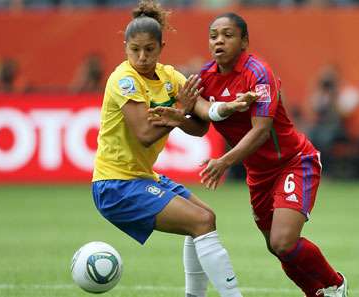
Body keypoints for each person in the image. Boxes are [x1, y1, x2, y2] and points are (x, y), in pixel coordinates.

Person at [149, 12, 349, 297]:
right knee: (277, 247)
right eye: (214, 35)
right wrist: (180, 117)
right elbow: (200, 129)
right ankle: (315, 293)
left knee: (283, 241)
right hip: (258, 175)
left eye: (228, 35)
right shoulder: (205, 77)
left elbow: (262, 130)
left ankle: (335, 284)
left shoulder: (258, 73)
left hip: (293, 162)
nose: (219, 41)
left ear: (244, 41)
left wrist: (225, 161)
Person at [91, 2, 249, 297]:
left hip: (141, 178)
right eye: (134, 49)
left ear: (161, 46)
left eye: (149, 49)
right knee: (200, 222)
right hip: (114, 185)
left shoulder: (169, 77)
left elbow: (202, 121)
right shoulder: (123, 80)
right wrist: (179, 111)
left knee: (206, 218)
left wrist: (228, 106)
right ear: (125, 47)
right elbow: (143, 135)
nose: (141, 57)